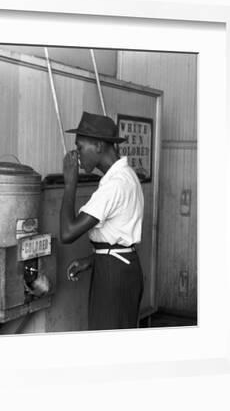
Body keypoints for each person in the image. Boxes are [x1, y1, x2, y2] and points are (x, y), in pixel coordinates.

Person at [59, 111, 144, 330]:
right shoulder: (125, 176)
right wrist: (92, 259)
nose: (77, 155)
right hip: (117, 265)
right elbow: (117, 236)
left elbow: (68, 232)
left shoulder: (115, 184)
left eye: (80, 147)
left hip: (114, 275)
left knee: (108, 344)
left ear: (98, 145)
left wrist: (70, 184)